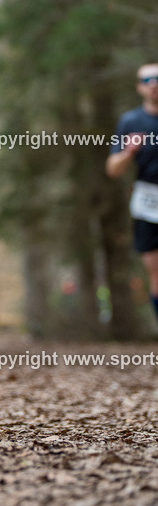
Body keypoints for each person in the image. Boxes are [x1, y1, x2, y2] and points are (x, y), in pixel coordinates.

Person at [106, 63, 158, 321]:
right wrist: (129, 152)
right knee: (156, 272)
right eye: (147, 79)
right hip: (149, 202)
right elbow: (113, 168)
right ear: (139, 87)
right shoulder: (131, 122)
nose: (154, 84)